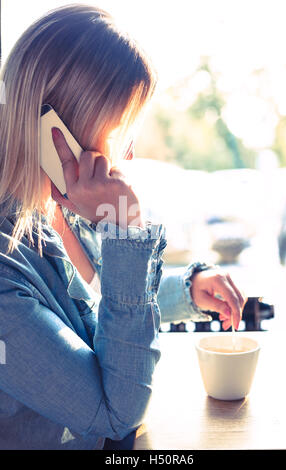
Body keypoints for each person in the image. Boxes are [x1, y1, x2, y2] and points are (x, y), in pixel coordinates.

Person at [0, 4, 246, 450]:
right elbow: (115, 414)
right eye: (119, 135)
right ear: (57, 131)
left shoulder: (63, 208)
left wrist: (187, 291)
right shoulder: (4, 274)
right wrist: (127, 229)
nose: (126, 157)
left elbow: (100, 306)